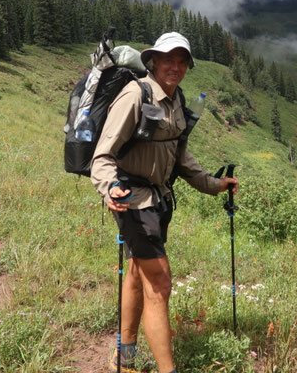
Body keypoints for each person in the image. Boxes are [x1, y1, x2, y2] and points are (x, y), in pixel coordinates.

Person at [91, 32, 238, 373]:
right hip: (132, 201)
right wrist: (110, 187)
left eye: (181, 60)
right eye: (168, 59)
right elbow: (102, 156)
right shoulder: (135, 95)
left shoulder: (176, 100)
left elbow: (180, 157)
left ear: (187, 65)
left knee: (136, 274)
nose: (175, 66)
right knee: (160, 284)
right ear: (153, 61)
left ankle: (124, 357)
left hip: (159, 202)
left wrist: (215, 185)